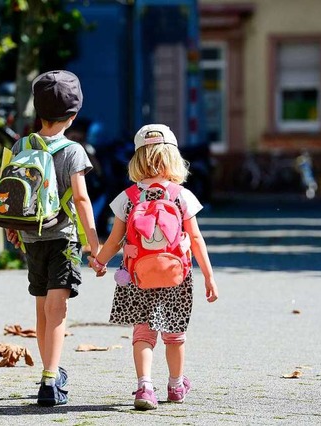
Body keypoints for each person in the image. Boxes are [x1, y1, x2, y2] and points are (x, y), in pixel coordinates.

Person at [0, 70, 101, 407]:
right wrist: (95, 246)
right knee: (58, 308)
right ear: (74, 114)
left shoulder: (21, 145)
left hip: (31, 240)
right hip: (63, 239)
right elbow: (81, 200)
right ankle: (51, 381)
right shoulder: (74, 151)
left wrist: (12, 222)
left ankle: (48, 371)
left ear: (38, 112)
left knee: (41, 308)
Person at [88, 124, 218, 410]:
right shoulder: (181, 196)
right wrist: (209, 277)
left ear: (137, 160)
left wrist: (99, 262)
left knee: (143, 334)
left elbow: (114, 240)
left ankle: (145, 387)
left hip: (137, 275)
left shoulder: (128, 197)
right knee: (175, 335)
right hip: (176, 276)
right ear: (173, 159)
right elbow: (196, 239)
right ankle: (175, 385)